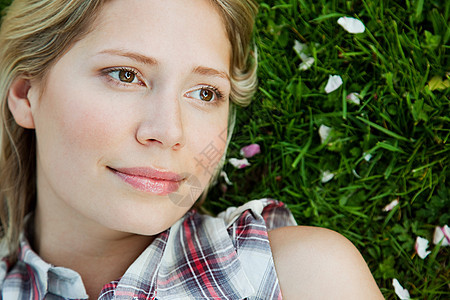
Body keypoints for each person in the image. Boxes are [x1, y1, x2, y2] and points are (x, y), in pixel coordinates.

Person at [0, 0, 384, 298]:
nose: (169, 130)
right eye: (125, 75)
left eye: (205, 93)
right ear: (26, 95)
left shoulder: (304, 277)